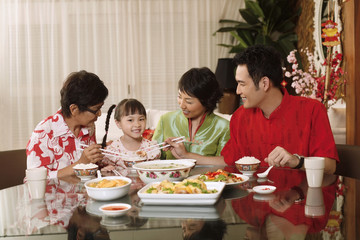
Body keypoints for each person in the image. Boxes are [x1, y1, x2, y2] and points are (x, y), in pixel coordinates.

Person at [221, 45, 338, 174]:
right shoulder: (239, 118)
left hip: (301, 193)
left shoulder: (313, 110)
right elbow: (230, 162)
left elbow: (330, 167)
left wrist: (297, 161)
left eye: (242, 84)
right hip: (251, 193)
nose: (237, 91)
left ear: (264, 83)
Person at [26, 70, 108, 179]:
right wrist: (80, 164)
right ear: (74, 109)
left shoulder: (89, 127)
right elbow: (35, 179)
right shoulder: (44, 133)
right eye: (95, 109)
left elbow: (91, 167)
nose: (99, 114)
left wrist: (100, 162)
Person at [152, 67, 230, 164]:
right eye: (179, 97)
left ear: (207, 101)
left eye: (189, 101)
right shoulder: (166, 120)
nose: (182, 105)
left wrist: (187, 155)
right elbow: (152, 157)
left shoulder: (223, 127)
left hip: (207, 178)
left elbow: (226, 162)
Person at [99, 99, 161, 172]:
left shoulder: (151, 148)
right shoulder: (113, 150)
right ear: (118, 123)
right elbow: (107, 172)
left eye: (141, 119)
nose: (137, 124)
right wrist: (106, 170)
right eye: (130, 120)